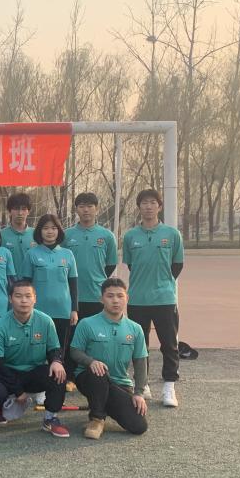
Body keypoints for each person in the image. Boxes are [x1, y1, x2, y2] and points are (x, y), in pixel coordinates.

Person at [122, 188, 184, 408]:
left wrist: (163, 283)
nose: (148, 207)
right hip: (137, 299)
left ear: (159, 206)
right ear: (139, 207)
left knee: (169, 344)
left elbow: (177, 265)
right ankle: (143, 383)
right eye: (144, 203)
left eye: (152, 202)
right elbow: (131, 265)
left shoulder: (172, 234)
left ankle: (169, 386)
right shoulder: (130, 236)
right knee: (140, 345)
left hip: (165, 298)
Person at [0, 280, 70, 438]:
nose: (23, 300)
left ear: (35, 298)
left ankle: (50, 418)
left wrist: (57, 361)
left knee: (59, 374)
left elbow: (54, 349)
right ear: (10, 299)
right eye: (18, 296)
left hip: (34, 372)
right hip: (8, 373)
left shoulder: (46, 321)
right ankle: (3, 406)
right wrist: (18, 391)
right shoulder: (1, 325)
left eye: (28, 296)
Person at [70, 278, 149, 439]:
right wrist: (91, 362)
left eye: (120, 296)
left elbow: (140, 362)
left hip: (119, 383)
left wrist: (139, 393)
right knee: (99, 373)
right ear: (102, 299)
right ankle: (97, 418)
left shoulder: (135, 329)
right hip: (90, 379)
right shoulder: (87, 324)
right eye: (110, 296)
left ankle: (102, 404)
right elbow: (74, 351)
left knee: (139, 426)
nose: (115, 300)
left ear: (127, 298)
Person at [22, 214, 79, 367]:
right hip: (38, 310)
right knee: (38, 347)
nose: (50, 232)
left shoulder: (68, 254)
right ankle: (39, 377)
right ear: (39, 231)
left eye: (53, 228)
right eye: (45, 228)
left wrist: (74, 309)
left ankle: (60, 377)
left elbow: (73, 284)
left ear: (59, 231)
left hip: (63, 310)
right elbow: (26, 284)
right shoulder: (31, 254)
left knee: (60, 349)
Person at [65, 192, 118, 320]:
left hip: (97, 295)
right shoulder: (66, 235)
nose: (86, 210)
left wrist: (97, 278)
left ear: (97, 208)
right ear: (76, 209)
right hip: (70, 296)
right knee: (72, 332)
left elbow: (111, 265)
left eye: (90, 206)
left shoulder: (107, 236)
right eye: (82, 206)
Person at [1, 192, 36, 272]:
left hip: (32, 280)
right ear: (10, 211)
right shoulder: (1, 235)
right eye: (16, 208)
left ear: (29, 211)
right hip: (9, 279)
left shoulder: (36, 234)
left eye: (24, 209)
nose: (20, 213)